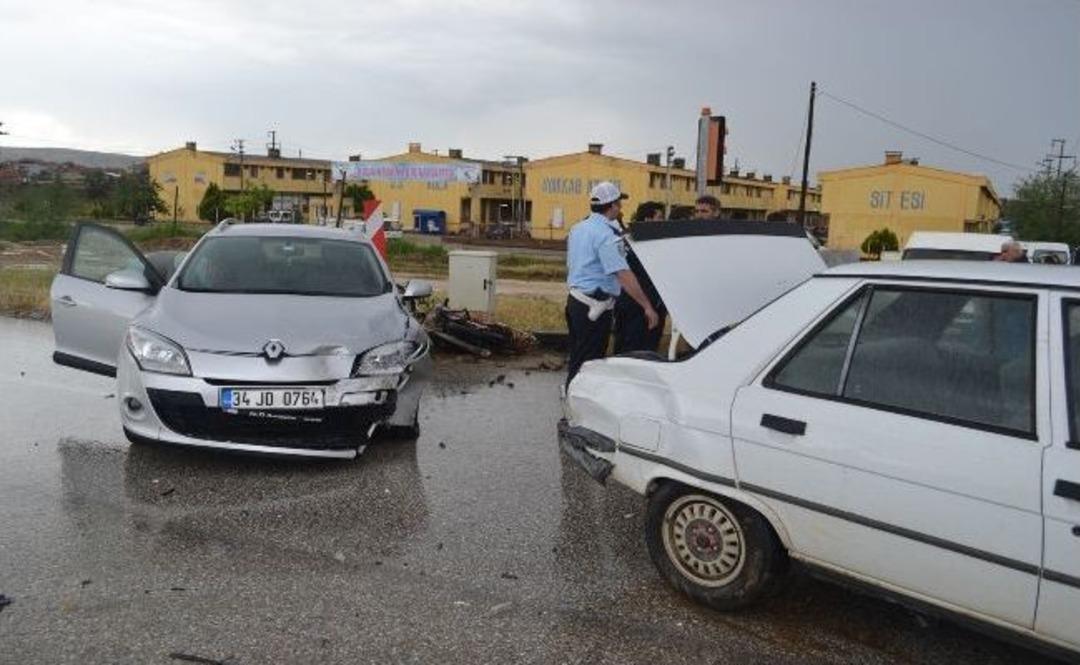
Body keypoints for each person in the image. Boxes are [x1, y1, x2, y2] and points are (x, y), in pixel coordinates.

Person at [565, 182, 659, 386]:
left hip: (575, 302)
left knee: (578, 357)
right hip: (594, 306)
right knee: (587, 364)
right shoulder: (606, 236)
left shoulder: (578, 228)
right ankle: (574, 412)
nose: (621, 208)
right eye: (619, 203)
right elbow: (623, 274)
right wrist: (647, 306)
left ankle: (570, 403)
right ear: (612, 206)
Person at [613, 202, 667, 354]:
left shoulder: (649, 242)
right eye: (660, 217)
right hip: (637, 306)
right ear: (648, 219)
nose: (663, 221)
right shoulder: (635, 243)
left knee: (645, 349)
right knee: (634, 350)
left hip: (646, 305)